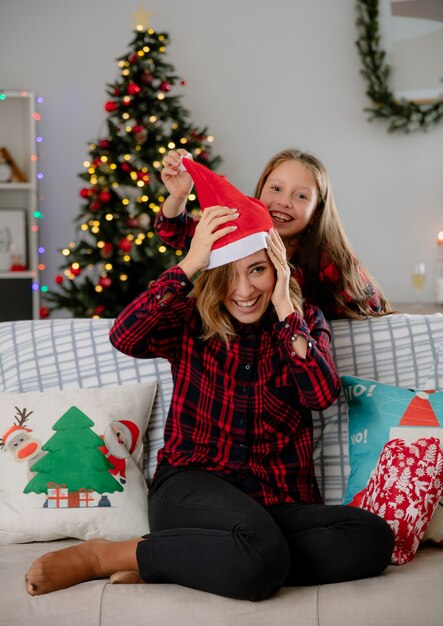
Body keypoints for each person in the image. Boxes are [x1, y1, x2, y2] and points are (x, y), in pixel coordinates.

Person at [25, 158, 394, 600]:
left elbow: (320, 395)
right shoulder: (190, 314)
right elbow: (124, 336)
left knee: (372, 538)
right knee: (261, 561)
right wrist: (191, 261)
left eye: (258, 270)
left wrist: (284, 309)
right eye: (231, 273)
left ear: (278, 269)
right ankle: (111, 555)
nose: (244, 290)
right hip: (192, 488)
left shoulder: (303, 320)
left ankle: (209, 557)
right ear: (214, 272)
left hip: (278, 499)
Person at [156, 148, 392, 319]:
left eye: (300, 196)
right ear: (260, 191)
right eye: (276, 189)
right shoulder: (236, 230)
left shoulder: (329, 260)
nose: (284, 202)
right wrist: (178, 197)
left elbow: (375, 314)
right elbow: (175, 232)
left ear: (317, 211)